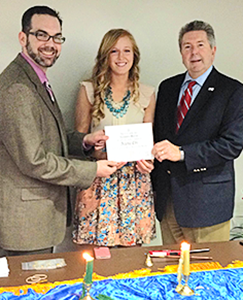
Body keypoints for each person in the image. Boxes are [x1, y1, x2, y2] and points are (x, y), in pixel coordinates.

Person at [0, 6, 118, 256]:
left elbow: (47, 137)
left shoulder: (36, 78)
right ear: (24, 38)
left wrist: (84, 141)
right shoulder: (17, 88)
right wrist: (93, 169)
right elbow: (34, 160)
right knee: (30, 293)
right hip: (25, 228)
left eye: (57, 37)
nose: (50, 44)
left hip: (37, 222)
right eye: (41, 35)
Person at [152, 20, 243, 245]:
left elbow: (231, 145)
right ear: (181, 52)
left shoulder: (233, 91)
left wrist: (182, 153)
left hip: (207, 205)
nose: (194, 52)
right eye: (187, 46)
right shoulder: (167, 87)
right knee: (170, 274)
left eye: (200, 45)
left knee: (207, 274)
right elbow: (157, 135)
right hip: (168, 201)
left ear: (213, 50)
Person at [73, 28, 156, 247]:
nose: (121, 58)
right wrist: (95, 148)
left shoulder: (147, 93)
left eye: (127, 51)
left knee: (131, 257)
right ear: (105, 56)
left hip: (134, 182)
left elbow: (147, 142)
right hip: (99, 178)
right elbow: (78, 139)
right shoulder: (89, 90)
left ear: (134, 55)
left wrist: (148, 162)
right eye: (114, 51)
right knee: (97, 255)